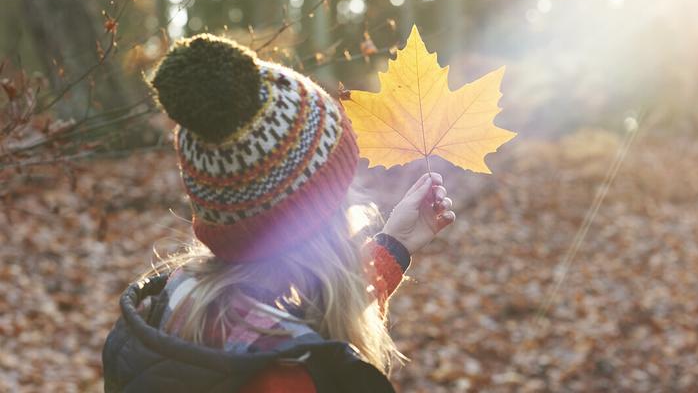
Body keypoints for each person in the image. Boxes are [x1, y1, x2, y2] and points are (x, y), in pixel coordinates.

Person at [101, 34, 455, 392]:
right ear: (318, 217)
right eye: (343, 184)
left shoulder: (179, 298)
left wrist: (395, 245)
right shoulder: (285, 377)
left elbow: (296, 317)